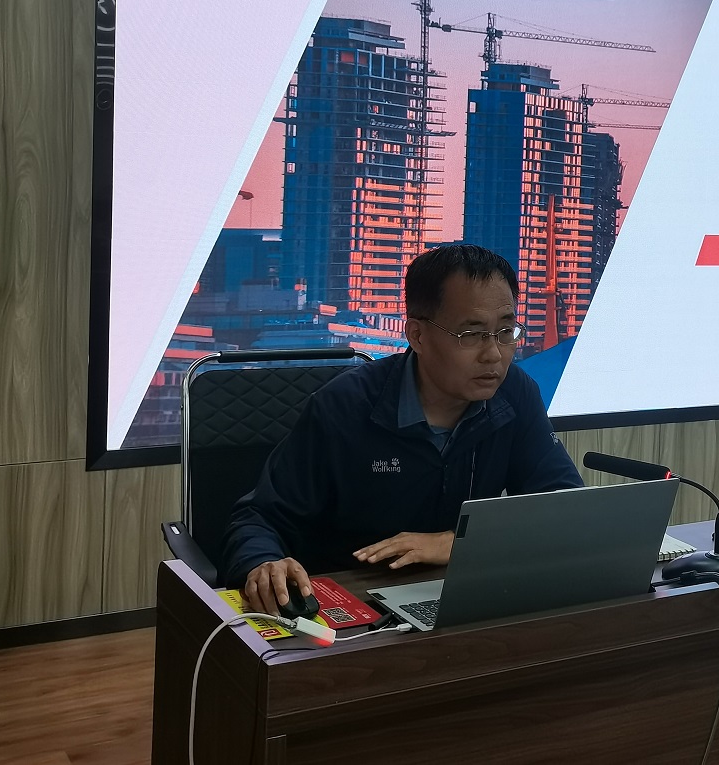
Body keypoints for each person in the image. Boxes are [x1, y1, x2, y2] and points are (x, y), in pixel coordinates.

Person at [222, 244, 583, 616]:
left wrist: (461, 543)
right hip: (352, 606)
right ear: (417, 335)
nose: (493, 354)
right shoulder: (344, 406)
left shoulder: (513, 394)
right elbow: (260, 518)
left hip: (461, 597)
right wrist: (263, 564)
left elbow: (566, 508)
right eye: (471, 335)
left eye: (505, 331)